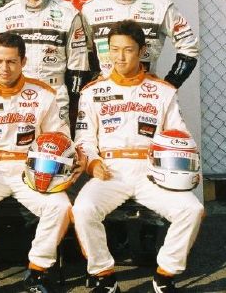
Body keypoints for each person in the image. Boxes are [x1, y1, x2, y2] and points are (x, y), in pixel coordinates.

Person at [73, 21, 204, 293]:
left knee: (192, 210)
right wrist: (93, 163)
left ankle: (165, 276)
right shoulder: (92, 92)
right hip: (110, 170)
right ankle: (105, 278)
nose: (120, 57)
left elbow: (180, 136)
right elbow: (83, 140)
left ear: (143, 51)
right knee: (83, 209)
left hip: (154, 172)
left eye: (128, 50)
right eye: (114, 49)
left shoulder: (163, 91)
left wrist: (186, 168)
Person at [0, 32, 73, 293]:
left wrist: (59, 170)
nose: (4, 68)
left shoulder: (43, 94)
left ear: (23, 62)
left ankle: (38, 272)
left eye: (11, 62)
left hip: (32, 168)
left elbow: (60, 137)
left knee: (61, 206)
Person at [0, 0, 90, 130]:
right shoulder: (3, 15)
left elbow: (79, 65)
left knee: (57, 145)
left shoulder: (69, 13)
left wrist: (75, 103)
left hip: (55, 94)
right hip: (16, 93)